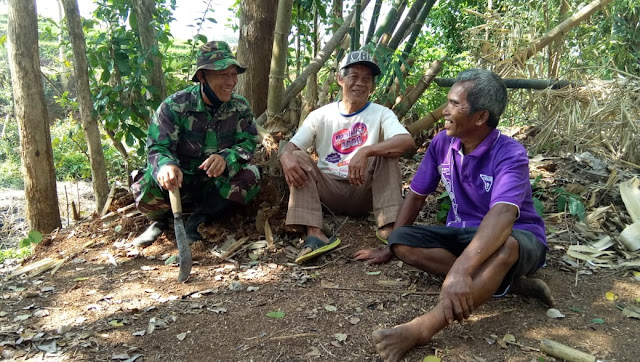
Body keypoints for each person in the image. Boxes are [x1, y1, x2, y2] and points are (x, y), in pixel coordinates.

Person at [354, 69, 554, 362]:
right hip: (464, 236)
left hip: (517, 237)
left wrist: (460, 269)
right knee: (400, 240)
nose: (445, 111)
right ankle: (502, 282)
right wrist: (389, 247)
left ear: (480, 117)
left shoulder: (510, 153)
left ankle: (422, 328)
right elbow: (417, 194)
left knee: (506, 245)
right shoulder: (442, 143)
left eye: (454, 104)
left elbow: (502, 216)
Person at [280, 50, 415, 264]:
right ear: (340, 79)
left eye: (367, 79)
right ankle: (315, 233)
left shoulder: (381, 113)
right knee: (297, 156)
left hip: (364, 191)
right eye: (354, 77)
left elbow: (406, 141)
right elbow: (292, 146)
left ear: (372, 86)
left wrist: (366, 150)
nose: (360, 83)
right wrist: (285, 157)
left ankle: (389, 226)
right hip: (328, 191)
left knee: (387, 153)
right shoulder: (321, 115)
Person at [131, 41, 261, 247]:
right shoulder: (174, 107)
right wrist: (166, 165)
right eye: (223, 75)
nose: (231, 82)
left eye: (234, 74)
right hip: (178, 183)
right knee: (144, 184)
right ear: (202, 77)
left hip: (214, 184)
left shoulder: (239, 107)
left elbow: (248, 143)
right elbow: (157, 147)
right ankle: (161, 220)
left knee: (250, 175)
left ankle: (199, 218)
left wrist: (227, 158)